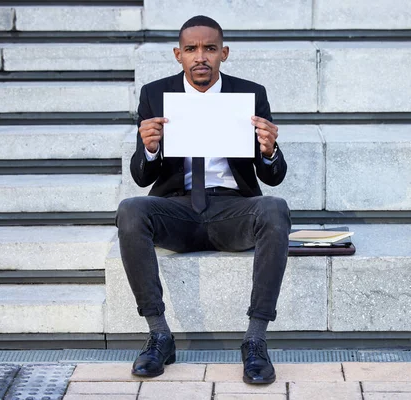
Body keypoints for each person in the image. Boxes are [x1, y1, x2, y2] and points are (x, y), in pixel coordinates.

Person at [115, 15, 291, 384]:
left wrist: (270, 149)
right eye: (191, 49)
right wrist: (149, 149)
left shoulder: (250, 94)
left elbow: (272, 176)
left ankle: (255, 341)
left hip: (232, 209)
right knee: (131, 209)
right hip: (176, 209)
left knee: (274, 208)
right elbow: (141, 177)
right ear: (178, 55)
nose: (201, 57)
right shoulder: (154, 94)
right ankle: (159, 335)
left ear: (223, 53)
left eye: (210, 48)